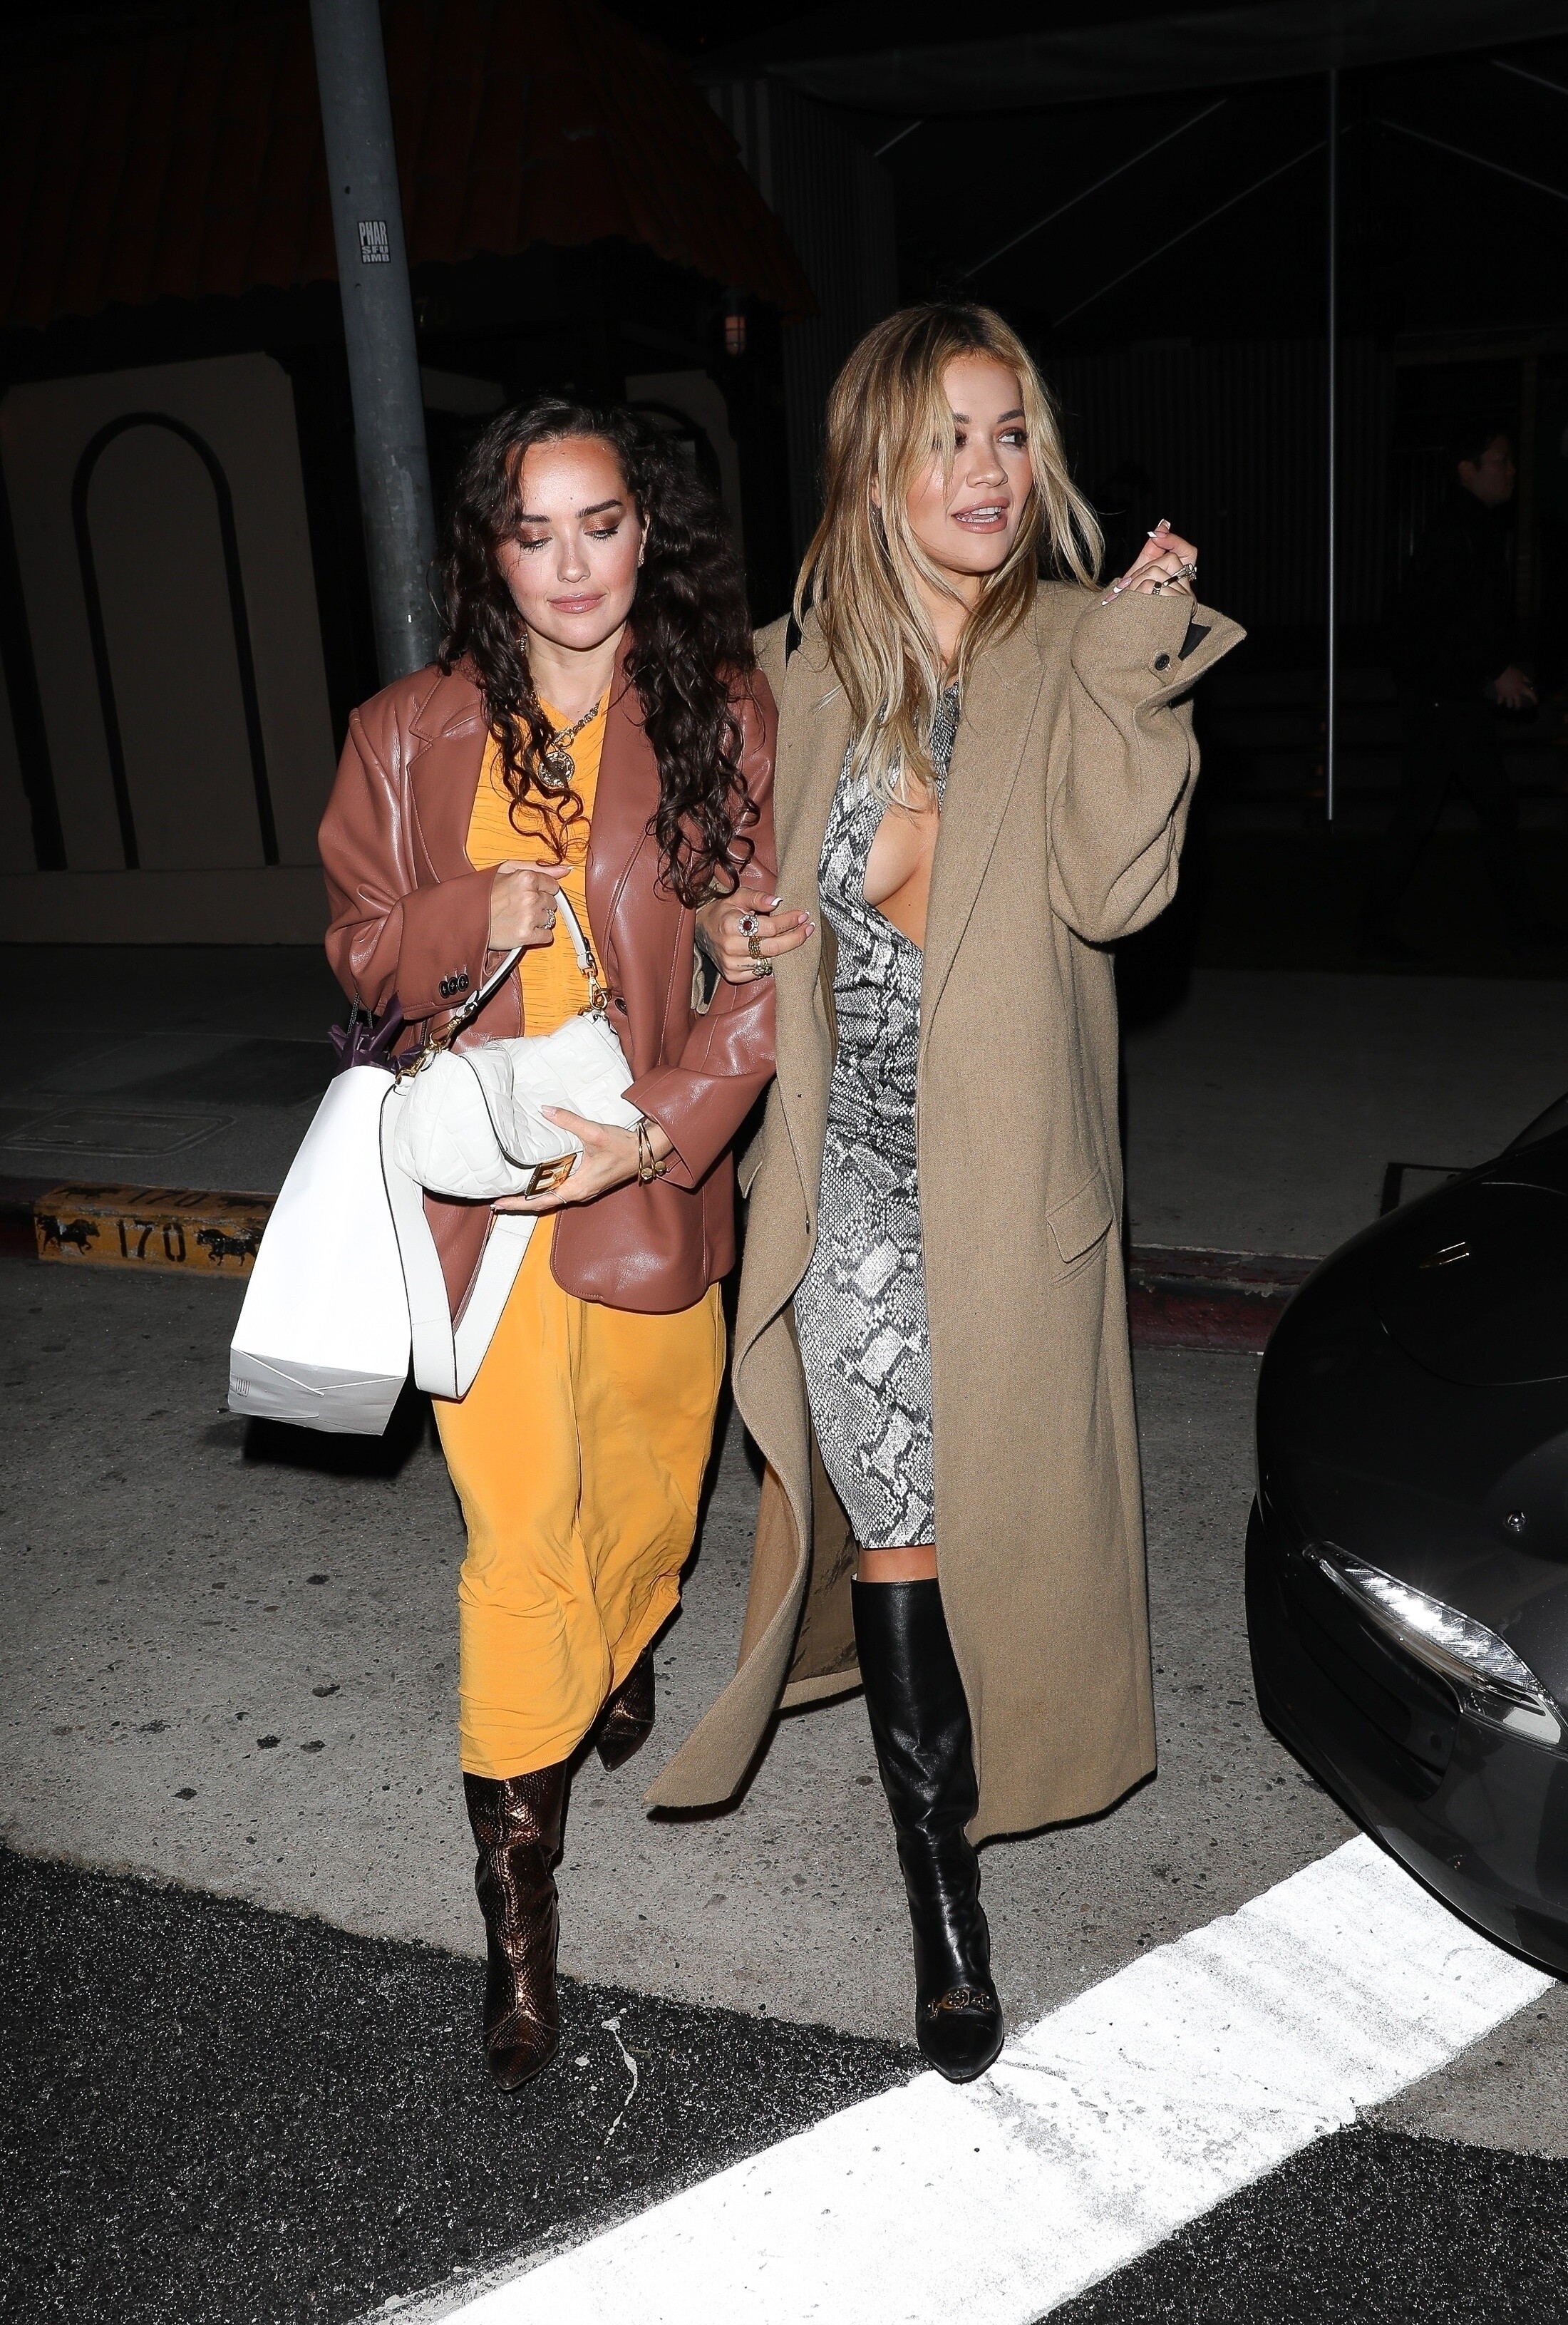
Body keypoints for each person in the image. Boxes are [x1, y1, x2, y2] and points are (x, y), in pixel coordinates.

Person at [644, 302, 1242, 2083]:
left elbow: (1116, 892)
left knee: (1002, 1531)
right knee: (901, 1524)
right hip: (847, 1184)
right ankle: (943, 1894)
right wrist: (732, 937)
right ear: (876, 464)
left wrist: (1133, 669)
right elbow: (703, 899)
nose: (989, 471)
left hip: (1012, 1186)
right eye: (950, 438)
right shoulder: (788, 671)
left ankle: (969, 1824)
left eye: (1011, 433)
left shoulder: (1070, 648)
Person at [319, 398, 778, 2092]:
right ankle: (520, 1932)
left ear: (645, 533)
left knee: (647, 1507)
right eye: (535, 532)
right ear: (490, 550)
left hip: (644, 1180)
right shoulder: (403, 732)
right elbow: (360, 950)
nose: (571, 565)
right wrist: (469, 915)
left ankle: (627, 1636)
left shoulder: (722, 711)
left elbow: (758, 979)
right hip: (482, 1205)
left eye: (600, 525)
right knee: (517, 1545)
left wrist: (657, 1124)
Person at [1361, 419, 1539, 958]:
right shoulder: (1456, 530)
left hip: (1448, 693)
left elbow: (1470, 616)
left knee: (1480, 809)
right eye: (1500, 461)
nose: (1510, 471)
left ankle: (1522, 925)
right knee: (1431, 812)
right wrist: (1494, 669)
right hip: (1442, 697)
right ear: (1467, 469)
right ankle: (1376, 931)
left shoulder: (1471, 526)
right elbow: (1442, 618)